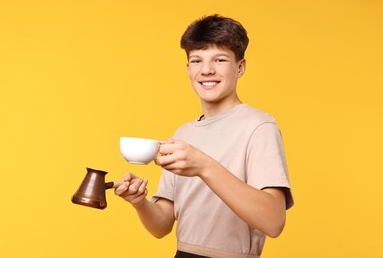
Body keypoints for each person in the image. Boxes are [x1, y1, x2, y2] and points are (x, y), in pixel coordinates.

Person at [114, 14, 294, 258]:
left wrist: (204, 166)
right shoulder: (183, 134)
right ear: (188, 69)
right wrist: (139, 202)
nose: (207, 70)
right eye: (197, 60)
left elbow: (274, 222)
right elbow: (161, 226)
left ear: (240, 67)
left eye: (219, 60)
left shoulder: (258, 127)